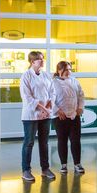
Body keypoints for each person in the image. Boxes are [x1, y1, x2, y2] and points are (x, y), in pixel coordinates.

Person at [20, 51, 56, 181]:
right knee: (29, 142)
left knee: (44, 143)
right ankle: (26, 170)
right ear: (32, 61)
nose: (41, 61)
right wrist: (42, 108)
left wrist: (48, 107)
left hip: (46, 114)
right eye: (38, 59)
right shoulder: (26, 76)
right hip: (31, 115)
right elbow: (27, 97)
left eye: (42, 59)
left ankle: (45, 169)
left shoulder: (46, 75)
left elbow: (52, 92)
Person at [52, 61, 85, 174]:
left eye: (70, 70)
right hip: (60, 117)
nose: (68, 72)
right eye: (66, 70)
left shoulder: (75, 81)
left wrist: (80, 107)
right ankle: (64, 165)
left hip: (74, 115)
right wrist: (57, 110)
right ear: (59, 70)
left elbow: (81, 95)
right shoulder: (53, 83)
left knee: (76, 140)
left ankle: (77, 164)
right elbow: (49, 99)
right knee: (62, 140)